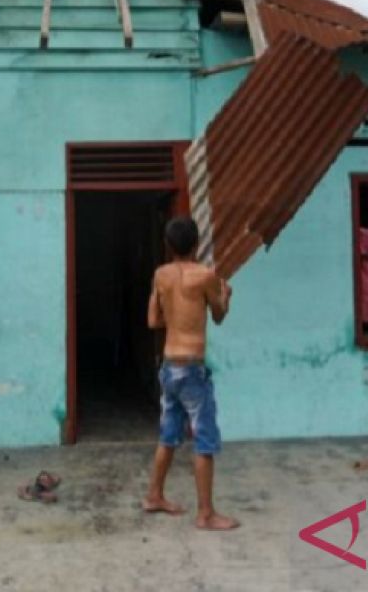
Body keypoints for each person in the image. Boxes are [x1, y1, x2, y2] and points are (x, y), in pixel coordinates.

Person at [143, 216, 239, 531]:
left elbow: (153, 321)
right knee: (205, 439)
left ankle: (154, 496)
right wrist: (225, 297)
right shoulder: (205, 276)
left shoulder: (160, 275)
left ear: (168, 246)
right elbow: (220, 316)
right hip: (192, 369)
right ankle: (206, 514)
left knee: (168, 435)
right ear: (196, 244)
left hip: (169, 366)